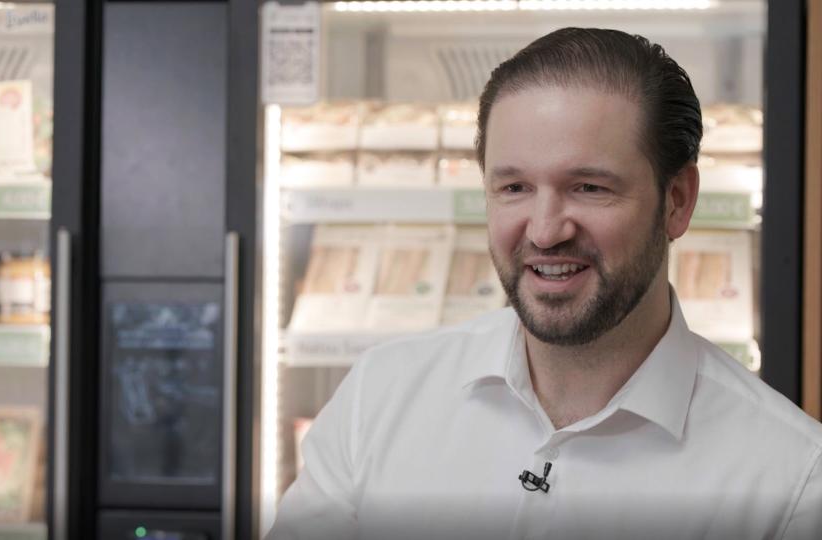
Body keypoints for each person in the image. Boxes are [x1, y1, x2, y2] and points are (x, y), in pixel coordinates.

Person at [267, 28, 822, 540]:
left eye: (588, 187)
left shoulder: (792, 480)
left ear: (676, 201)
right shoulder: (380, 398)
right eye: (513, 188)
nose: (546, 230)